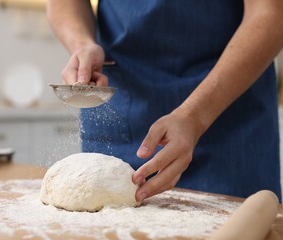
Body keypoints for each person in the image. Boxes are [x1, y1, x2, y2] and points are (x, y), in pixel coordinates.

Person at [47, 0, 283, 202]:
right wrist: (82, 43)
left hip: (228, 118)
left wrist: (194, 116)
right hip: (122, 103)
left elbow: (271, 13)